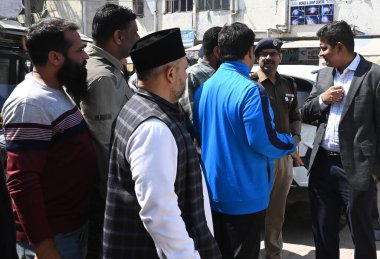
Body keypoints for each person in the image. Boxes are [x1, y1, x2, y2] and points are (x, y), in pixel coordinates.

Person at [102, 28, 222, 259]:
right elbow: (159, 213)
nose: (187, 76)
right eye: (184, 69)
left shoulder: (140, 106)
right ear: (170, 74)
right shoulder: (153, 129)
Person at [193, 22, 296, 259]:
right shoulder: (251, 90)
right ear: (250, 52)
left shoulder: (205, 87)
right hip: (245, 193)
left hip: (214, 188)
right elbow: (265, 141)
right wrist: (289, 143)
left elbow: (199, 131)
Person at [2, 17, 97, 259]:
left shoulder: (55, 90)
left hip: (70, 229)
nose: (85, 57)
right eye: (79, 50)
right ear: (55, 57)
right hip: (54, 239)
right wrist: (44, 246)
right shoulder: (29, 103)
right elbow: (23, 182)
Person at [301, 20, 380, 259]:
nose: (320, 53)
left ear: (339, 47)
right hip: (323, 165)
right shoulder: (324, 76)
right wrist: (322, 99)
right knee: (323, 230)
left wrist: (375, 170)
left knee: (362, 232)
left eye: (324, 48)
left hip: (357, 168)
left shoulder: (373, 75)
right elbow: (306, 112)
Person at [79, 4, 140, 258]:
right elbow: (105, 146)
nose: (137, 38)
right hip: (105, 201)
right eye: (134, 32)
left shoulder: (109, 69)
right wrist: (119, 204)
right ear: (118, 36)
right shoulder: (102, 78)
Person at [250, 38, 303, 259]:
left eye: (273, 54)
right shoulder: (250, 83)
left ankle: (273, 253)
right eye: (263, 54)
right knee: (252, 211)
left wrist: (296, 138)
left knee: (276, 212)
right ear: (257, 57)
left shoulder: (288, 84)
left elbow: (295, 115)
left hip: (283, 157)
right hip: (257, 157)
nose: (268, 58)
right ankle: (250, 252)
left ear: (280, 57)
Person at [179, 26, 222, 122]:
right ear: (217, 51)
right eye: (227, 51)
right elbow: (191, 117)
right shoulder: (192, 75)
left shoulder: (222, 74)